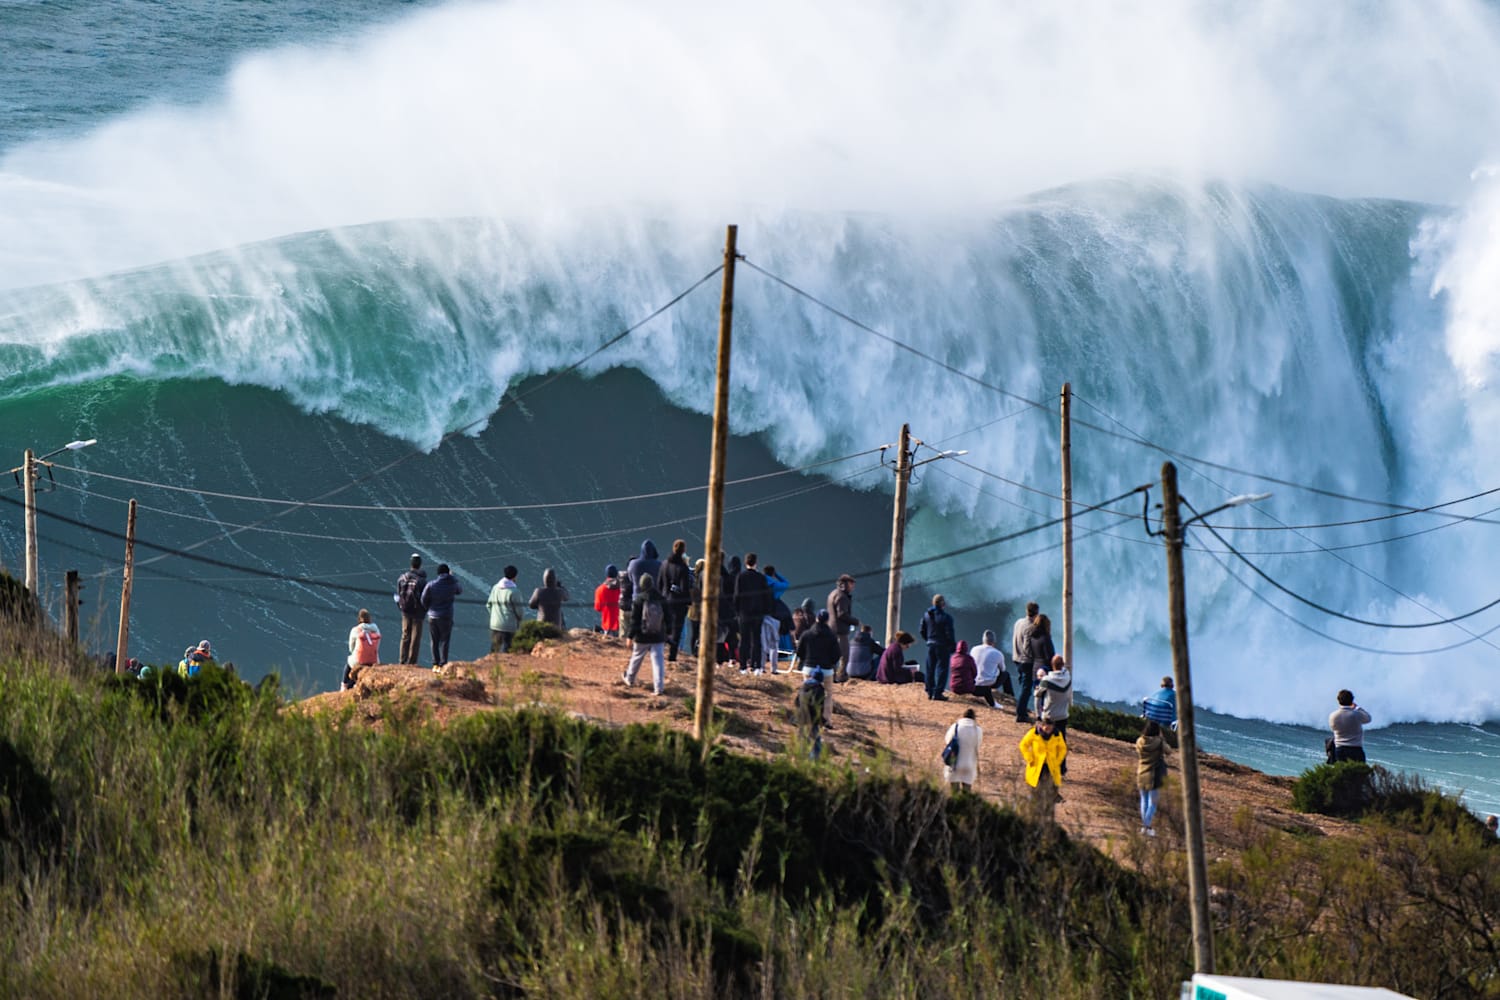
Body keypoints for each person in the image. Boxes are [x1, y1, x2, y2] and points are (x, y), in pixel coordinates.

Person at [622, 573, 668, 695]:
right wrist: (667, 633)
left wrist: (630, 636)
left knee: (637, 657)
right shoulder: (661, 598)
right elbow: (668, 618)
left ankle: (630, 679)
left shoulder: (639, 599)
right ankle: (659, 688)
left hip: (642, 636)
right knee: (658, 661)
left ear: (642, 585)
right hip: (658, 636)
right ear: (652, 584)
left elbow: (634, 621)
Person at [796, 609, 842, 727]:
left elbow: (799, 651)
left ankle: (806, 718)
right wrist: (831, 663)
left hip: (809, 668)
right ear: (827, 621)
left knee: (807, 692)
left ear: (816, 619)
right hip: (826, 669)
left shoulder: (806, 634)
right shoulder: (832, 636)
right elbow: (837, 655)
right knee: (828, 695)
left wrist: (805, 660)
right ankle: (826, 720)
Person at [1020, 718, 1067, 821]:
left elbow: (1062, 749)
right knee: (1036, 792)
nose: (1047, 729)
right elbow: (1023, 745)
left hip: (1051, 767)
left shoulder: (1057, 734)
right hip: (1037, 767)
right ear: (1042, 725)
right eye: (1045, 727)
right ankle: (1033, 815)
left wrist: (1058, 760)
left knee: (1050, 792)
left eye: (1049, 728)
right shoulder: (1034, 733)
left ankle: (1047, 816)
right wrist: (1029, 758)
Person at [734, 552, 772, 675]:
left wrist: (737, 611)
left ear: (746, 563)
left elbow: (737, 595)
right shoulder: (761, 578)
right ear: (756, 563)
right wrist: (765, 610)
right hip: (757, 613)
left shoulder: (740, 576)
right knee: (756, 640)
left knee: (744, 640)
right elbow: (766, 596)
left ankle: (743, 666)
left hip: (744, 613)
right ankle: (757, 667)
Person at [421, 564, 463, 670]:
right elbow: (459, 590)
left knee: (434, 641)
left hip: (432, 616)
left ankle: (435, 664)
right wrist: (453, 577)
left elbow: (423, 599)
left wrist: (428, 608)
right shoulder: (452, 585)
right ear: (448, 573)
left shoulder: (431, 585)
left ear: (438, 573)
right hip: (446, 616)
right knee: (444, 641)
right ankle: (443, 664)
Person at [659, 540, 693, 662]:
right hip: (678, 604)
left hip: (664, 600)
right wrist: (688, 602)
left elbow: (659, 584)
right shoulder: (683, 568)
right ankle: (672, 656)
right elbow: (684, 588)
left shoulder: (664, 564)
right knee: (677, 630)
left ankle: (660, 651)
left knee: (664, 627)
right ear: (683, 550)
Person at [393, 554, 428, 666]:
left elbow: (399, 594)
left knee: (405, 635)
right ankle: (412, 662)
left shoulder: (402, 578)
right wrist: (425, 609)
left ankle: (402, 660)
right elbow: (425, 598)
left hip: (405, 610)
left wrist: (401, 606)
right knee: (415, 637)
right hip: (418, 612)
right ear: (420, 564)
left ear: (411, 564)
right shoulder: (422, 581)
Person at [920, 594, 956, 701]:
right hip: (942, 646)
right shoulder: (946, 618)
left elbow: (922, 630)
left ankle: (930, 691)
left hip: (931, 645)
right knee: (942, 669)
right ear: (943, 604)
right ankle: (938, 693)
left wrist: (928, 639)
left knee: (930, 668)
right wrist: (952, 646)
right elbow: (949, 634)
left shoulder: (926, 615)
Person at [1137, 720, 1169, 836]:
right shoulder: (1159, 742)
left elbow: (1139, 752)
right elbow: (1169, 751)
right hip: (1154, 774)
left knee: (1144, 800)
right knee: (1153, 802)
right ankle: (1147, 826)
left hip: (1141, 772)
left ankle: (1144, 827)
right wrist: (1162, 739)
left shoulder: (1140, 741)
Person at [486, 565, 526, 654]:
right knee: (507, 650)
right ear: (515, 576)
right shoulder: (515, 592)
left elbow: (488, 605)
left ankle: (492, 662)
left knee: (494, 650)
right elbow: (519, 611)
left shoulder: (495, 588)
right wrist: (520, 621)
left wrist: (494, 617)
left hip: (495, 624)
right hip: (509, 626)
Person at [827, 574, 859, 682]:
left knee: (832, 654)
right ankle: (841, 676)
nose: (853, 586)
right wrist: (855, 621)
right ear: (845, 584)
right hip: (840, 630)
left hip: (831, 628)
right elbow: (842, 614)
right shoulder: (842, 597)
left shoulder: (832, 593)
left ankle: (831, 675)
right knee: (844, 655)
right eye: (851, 584)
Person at [1025, 613, 1056, 722]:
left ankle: (1038, 715)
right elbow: (1049, 656)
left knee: (1037, 692)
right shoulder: (1045, 638)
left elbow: (1030, 652)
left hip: (1035, 667)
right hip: (1045, 668)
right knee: (1046, 695)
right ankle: (1044, 715)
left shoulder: (1032, 637)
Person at [943, 708, 983, 792]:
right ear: (974, 718)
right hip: (969, 763)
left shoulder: (955, 727)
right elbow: (978, 745)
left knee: (954, 789)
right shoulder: (978, 730)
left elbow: (948, 740)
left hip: (955, 762)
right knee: (967, 789)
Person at [1012, 601, 1039, 722]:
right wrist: (1035, 659)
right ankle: (1020, 714)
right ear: (1036, 613)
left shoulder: (1018, 622)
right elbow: (1027, 648)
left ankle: (1021, 707)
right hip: (1026, 661)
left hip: (1016, 658)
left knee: (1023, 686)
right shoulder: (1031, 627)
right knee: (1026, 688)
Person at [1328, 689, 1372, 763]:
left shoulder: (1333, 715)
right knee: (1358, 770)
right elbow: (1368, 718)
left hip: (1340, 749)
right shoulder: (1357, 714)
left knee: (1342, 770)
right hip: (1356, 749)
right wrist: (1358, 708)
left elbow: (1333, 728)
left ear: (1338, 700)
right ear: (1352, 700)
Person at [795, 667, 829, 760]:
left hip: (801, 716)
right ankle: (814, 760)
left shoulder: (803, 686)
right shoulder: (819, 689)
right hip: (812, 718)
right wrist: (822, 720)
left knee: (802, 738)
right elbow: (817, 706)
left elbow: (796, 702)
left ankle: (800, 757)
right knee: (816, 741)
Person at [971, 629, 1010, 710]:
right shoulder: (998, 653)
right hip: (988, 684)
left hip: (973, 682)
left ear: (983, 640)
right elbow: (1003, 669)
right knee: (1006, 674)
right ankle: (1009, 696)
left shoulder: (974, 649)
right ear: (994, 642)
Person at [1035, 653, 1072, 737]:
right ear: (1062, 665)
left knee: (1047, 739)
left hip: (1050, 715)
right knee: (1061, 739)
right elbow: (1065, 671)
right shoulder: (1068, 677)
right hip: (1063, 715)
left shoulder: (1046, 680)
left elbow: (1037, 694)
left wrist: (1037, 687)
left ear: (1052, 665)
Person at [343, 609, 381, 689]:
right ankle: (353, 684)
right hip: (373, 661)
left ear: (359, 619)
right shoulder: (376, 630)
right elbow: (377, 646)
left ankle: (344, 684)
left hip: (359, 660)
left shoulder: (355, 630)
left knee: (349, 663)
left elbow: (351, 648)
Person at [593, 565, 622, 638]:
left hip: (608, 624)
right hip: (622, 623)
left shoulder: (600, 589)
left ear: (606, 575)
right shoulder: (623, 588)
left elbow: (598, 608)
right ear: (616, 574)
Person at [687, 558, 706, 656]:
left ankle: (693, 652)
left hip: (692, 610)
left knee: (694, 633)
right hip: (701, 610)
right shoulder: (704, 580)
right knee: (700, 633)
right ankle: (698, 651)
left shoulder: (691, 579)